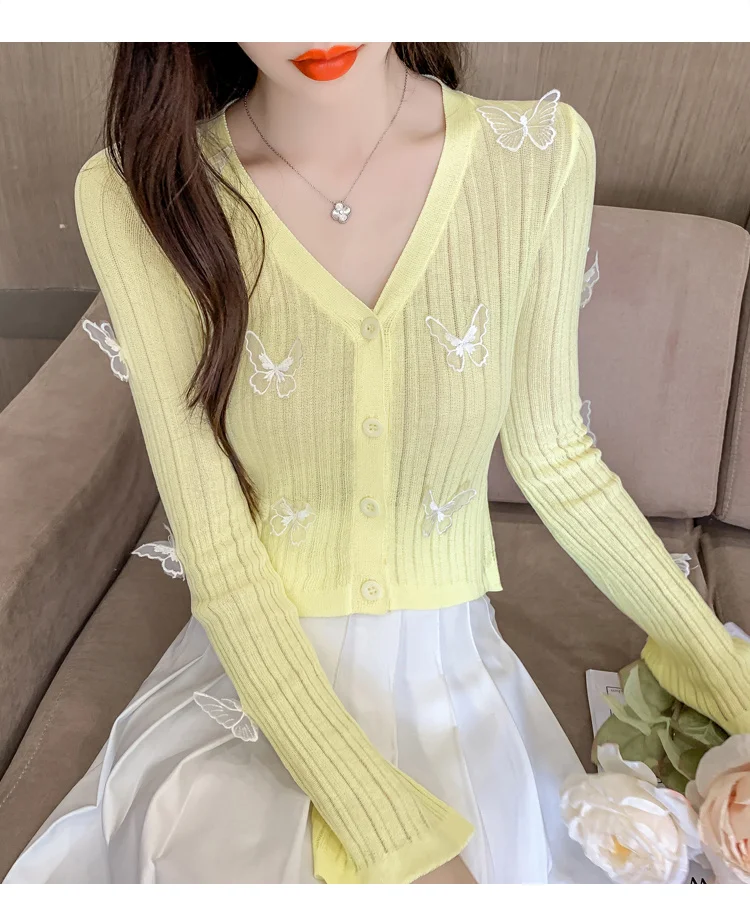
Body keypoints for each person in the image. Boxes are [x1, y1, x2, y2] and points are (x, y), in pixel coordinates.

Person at [5, 41, 750, 886]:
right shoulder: (144, 191)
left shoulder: (537, 158)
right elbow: (216, 545)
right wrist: (384, 831)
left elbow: (557, 460)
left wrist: (725, 676)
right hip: (259, 680)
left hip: (452, 678)